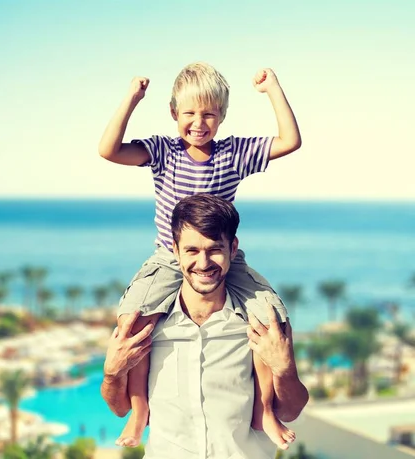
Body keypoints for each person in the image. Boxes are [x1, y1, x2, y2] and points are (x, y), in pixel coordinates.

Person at [98, 62, 302, 448]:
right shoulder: (163, 150)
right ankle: (141, 411)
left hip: (222, 258)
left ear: (222, 115)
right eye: (189, 113)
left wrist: (273, 88)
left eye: (209, 113)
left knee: (267, 318)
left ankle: (263, 410)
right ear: (174, 113)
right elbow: (108, 150)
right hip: (166, 257)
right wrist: (130, 99)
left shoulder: (235, 153)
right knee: (133, 321)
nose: (198, 122)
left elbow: (289, 140)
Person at [100, 194, 309, 459]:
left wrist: (284, 369)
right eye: (192, 251)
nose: (203, 263)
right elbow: (119, 408)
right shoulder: (145, 324)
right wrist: (111, 374)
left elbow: (291, 411)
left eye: (214, 250)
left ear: (233, 249)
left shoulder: (261, 327)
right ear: (174, 250)